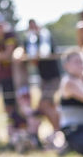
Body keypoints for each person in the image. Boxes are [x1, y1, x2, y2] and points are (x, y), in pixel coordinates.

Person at [23, 19, 63, 149]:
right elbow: (30, 57)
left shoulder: (47, 36)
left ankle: (58, 131)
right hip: (44, 78)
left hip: (53, 77)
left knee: (44, 105)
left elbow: (44, 53)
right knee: (48, 106)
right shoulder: (30, 40)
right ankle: (59, 131)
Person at [0, 14, 24, 141]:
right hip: (2, 77)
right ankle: (13, 133)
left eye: (0, 25)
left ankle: (21, 131)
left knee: (18, 104)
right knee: (8, 105)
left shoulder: (10, 36)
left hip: (15, 76)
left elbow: (7, 55)